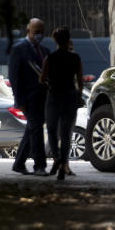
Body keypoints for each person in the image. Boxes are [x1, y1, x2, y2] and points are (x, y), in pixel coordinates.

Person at [39, 26, 83, 181]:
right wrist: (78, 95)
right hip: (70, 96)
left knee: (51, 129)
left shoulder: (50, 58)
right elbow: (80, 80)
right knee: (66, 133)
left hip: (54, 96)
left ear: (55, 40)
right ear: (68, 39)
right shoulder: (75, 58)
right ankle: (63, 162)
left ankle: (57, 158)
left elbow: (42, 79)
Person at [9, 18, 50, 176]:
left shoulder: (45, 50)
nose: (39, 35)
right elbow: (14, 77)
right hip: (28, 99)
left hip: (42, 99)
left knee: (32, 129)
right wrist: (19, 101)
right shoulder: (19, 49)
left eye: (42, 31)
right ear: (28, 30)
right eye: (36, 32)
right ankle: (40, 166)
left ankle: (19, 163)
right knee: (37, 130)